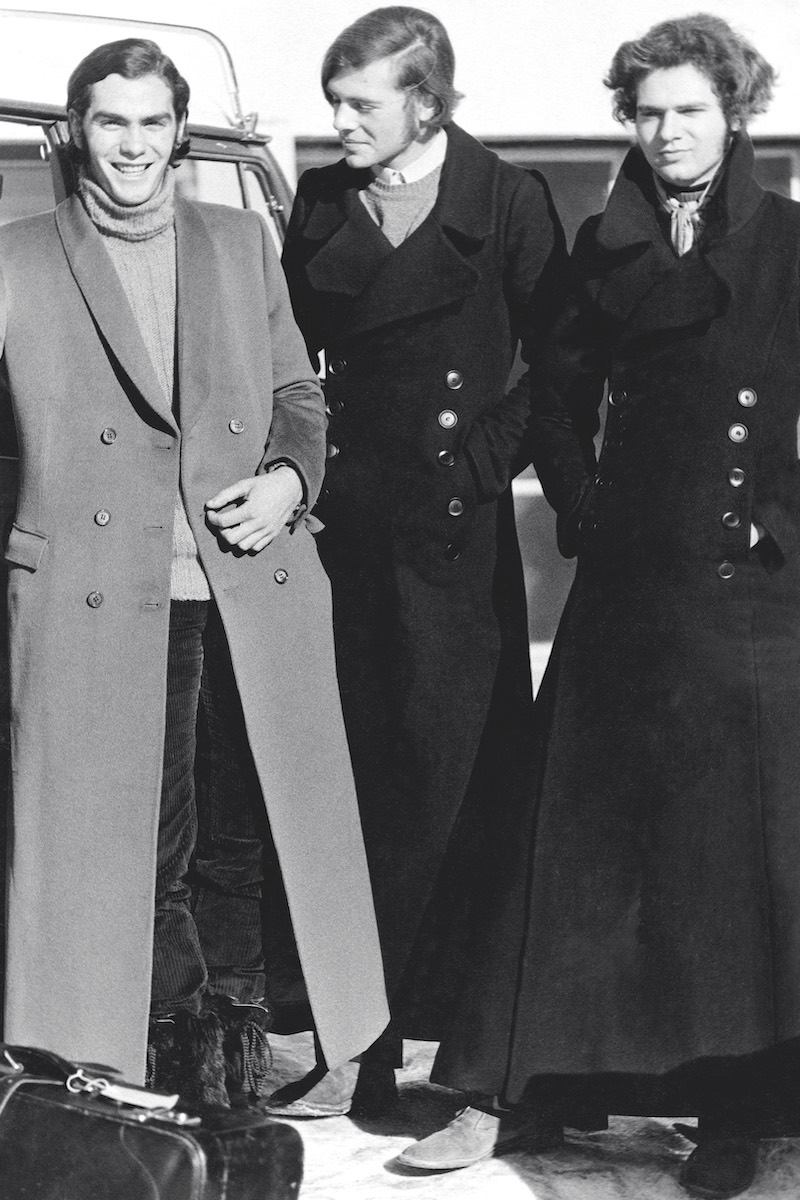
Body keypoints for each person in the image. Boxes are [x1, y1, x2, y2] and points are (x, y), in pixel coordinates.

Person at [400, 14, 800, 1198]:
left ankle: (744, 1113)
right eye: (647, 111)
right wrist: (583, 510)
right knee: (569, 853)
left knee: (730, 868)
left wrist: (770, 522)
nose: (667, 132)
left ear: (735, 114)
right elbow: (554, 401)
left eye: (688, 109)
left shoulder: (785, 242)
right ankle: (518, 1095)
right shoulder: (602, 244)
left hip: (746, 606)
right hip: (625, 593)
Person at [0, 37, 388, 1106]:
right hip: (102, 601)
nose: (132, 144)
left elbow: (297, 395)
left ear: (178, 134)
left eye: (152, 122)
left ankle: (239, 1046)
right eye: (111, 121)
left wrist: (285, 482)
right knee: (142, 844)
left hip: (247, 586)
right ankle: (173, 1055)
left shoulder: (236, 237)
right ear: (77, 131)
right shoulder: (18, 256)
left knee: (246, 837)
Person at [272, 5, 568, 1117]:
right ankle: (353, 1035)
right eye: (332, 101)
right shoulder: (320, 201)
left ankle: (429, 1045)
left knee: (439, 790)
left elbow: (558, 361)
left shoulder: (505, 201)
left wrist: (477, 470)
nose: (338, 121)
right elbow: (287, 355)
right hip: (343, 533)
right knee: (342, 785)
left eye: (360, 104)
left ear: (425, 104)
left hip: (450, 539)